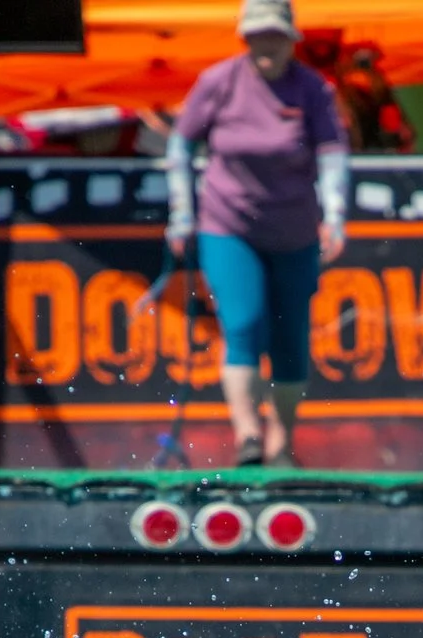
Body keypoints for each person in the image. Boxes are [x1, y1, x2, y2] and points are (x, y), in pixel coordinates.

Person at [165, 0, 349, 468]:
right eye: (258, 34)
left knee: (291, 336)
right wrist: (182, 213)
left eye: (276, 35)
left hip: (294, 230)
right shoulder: (219, 82)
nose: (267, 44)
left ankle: (279, 444)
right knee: (243, 324)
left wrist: (336, 214)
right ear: (245, 38)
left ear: (291, 40)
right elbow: (180, 144)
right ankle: (247, 435)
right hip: (228, 224)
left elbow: (331, 153)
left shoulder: (311, 89)